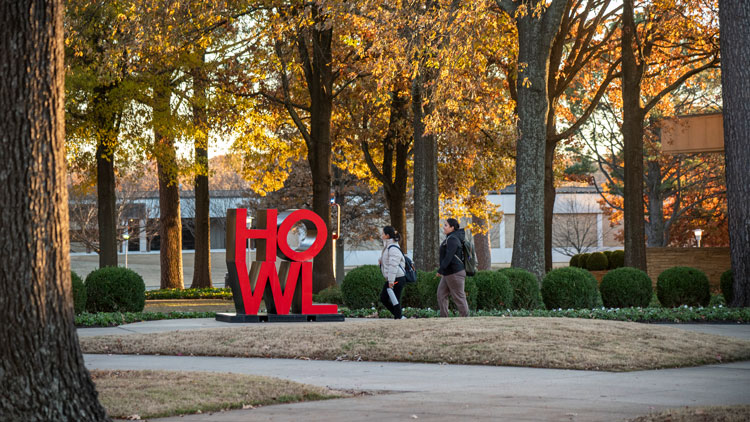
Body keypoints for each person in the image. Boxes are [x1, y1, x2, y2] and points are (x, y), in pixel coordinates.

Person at [436, 218, 470, 317]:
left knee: (459, 297)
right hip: (448, 272)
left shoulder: (453, 239)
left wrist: (441, 269)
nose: (444, 227)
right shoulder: (450, 237)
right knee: (441, 294)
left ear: (452, 227)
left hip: (455, 272)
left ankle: (465, 318)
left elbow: (449, 255)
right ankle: (444, 317)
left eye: (446, 225)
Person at [379, 226, 407, 319]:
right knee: (386, 298)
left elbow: (393, 265)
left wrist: (391, 281)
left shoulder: (393, 247)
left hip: (397, 278)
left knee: (394, 300)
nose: (381, 235)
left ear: (387, 236)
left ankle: (398, 317)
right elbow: (388, 262)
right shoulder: (388, 246)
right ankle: (398, 316)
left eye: (383, 233)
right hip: (393, 278)